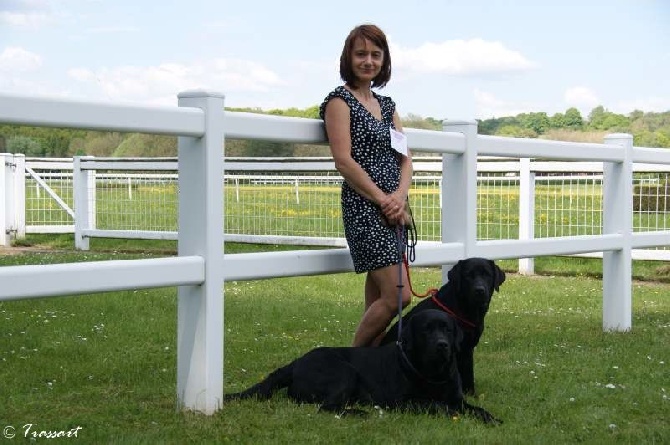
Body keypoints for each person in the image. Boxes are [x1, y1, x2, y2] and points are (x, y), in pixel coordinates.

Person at [319, 24, 413, 347]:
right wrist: (383, 200)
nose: (368, 61)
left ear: (384, 60)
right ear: (349, 57)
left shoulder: (388, 107)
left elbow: (405, 159)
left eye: (375, 54)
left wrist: (399, 198)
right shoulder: (339, 101)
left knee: (377, 297)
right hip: (364, 208)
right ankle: (352, 362)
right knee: (398, 295)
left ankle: (371, 368)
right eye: (361, 54)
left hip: (394, 209)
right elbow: (343, 161)